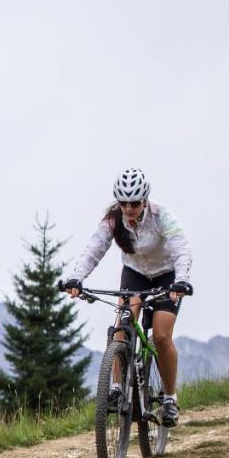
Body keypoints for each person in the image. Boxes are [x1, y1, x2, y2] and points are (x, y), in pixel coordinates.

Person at [60, 167, 193, 426]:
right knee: (120, 328)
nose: (129, 209)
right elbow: (94, 248)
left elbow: (181, 248)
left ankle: (169, 398)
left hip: (167, 277)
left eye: (134, 203)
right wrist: (77, 277)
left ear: (144, 200)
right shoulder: (113, 219)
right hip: (135, 275)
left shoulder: (162, 216)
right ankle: (118, 388)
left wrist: (182, 280)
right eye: (124, 203)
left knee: (162, 336)